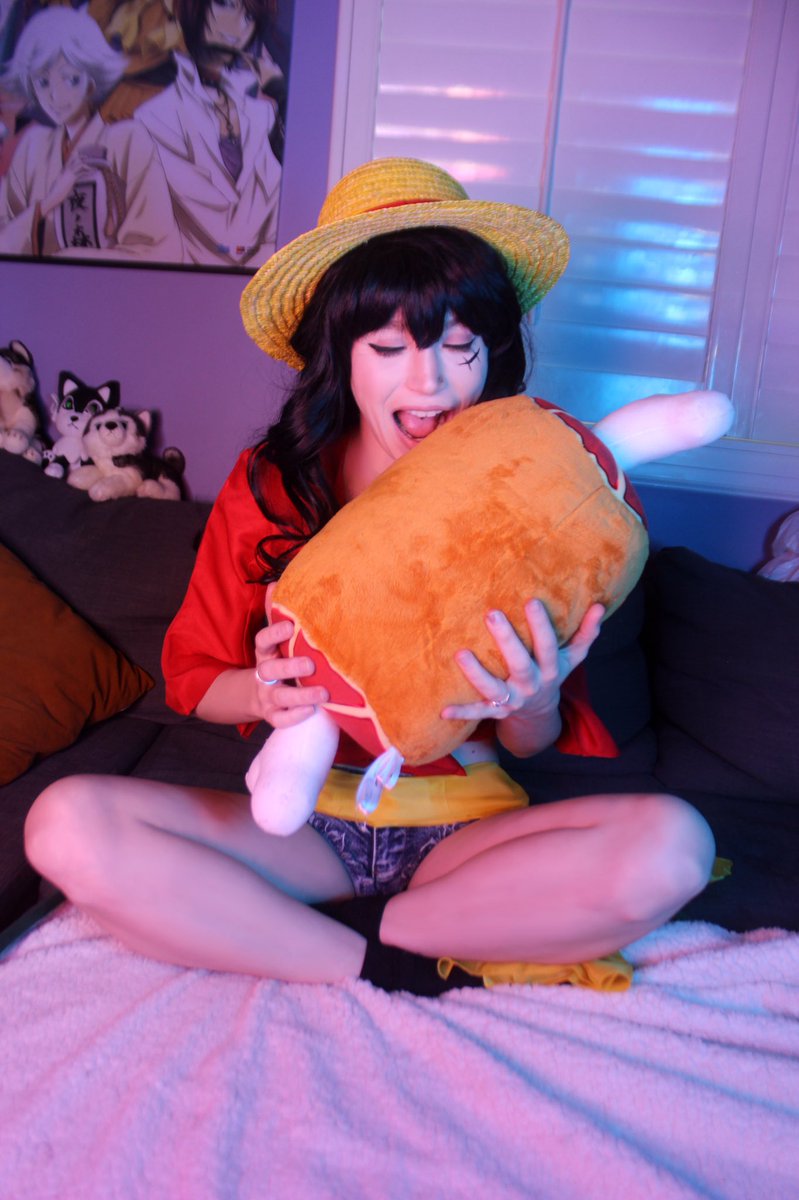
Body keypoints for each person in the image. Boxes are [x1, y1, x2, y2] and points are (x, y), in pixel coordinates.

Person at [24, 157, 716, 997]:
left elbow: (528, 743)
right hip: (304, 827)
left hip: (467, 834)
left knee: (676, 844)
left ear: (490, 352)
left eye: (460, 348)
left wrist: (533, 701)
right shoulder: (272, 483)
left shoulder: (527, 495)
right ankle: (379, 962)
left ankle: (355, 934)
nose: (430, 384)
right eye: (389, 348)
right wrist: (265, 694)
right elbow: (195, 681)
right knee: (62, 821)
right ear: (338, 353)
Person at [0, 7, 181, 261]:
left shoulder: (128, 140)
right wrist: (49, 201)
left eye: (70, 79)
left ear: (91, 80)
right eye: (43, 83)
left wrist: (72, 259)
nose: (56, 95)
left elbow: (160, 249)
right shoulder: (32, 146)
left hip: (112, 286)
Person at [133, 0, 282, 268]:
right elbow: (227, 235)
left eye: (249, 17)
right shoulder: (156, 117)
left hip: (267, 282)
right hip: (183, 282)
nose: (238, 26)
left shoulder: (263, 114)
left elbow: (277, 228)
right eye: (226, 4)